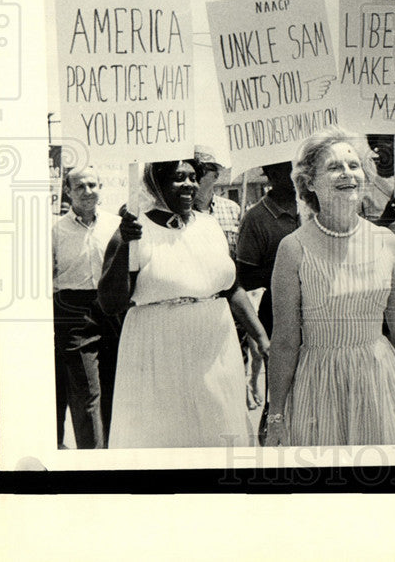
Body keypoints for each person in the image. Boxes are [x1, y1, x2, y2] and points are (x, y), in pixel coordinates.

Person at [264, 128, 395, 447]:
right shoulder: (292, 248)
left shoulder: (385, 241)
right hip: (318, 384)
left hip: (381, 381)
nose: (348, 173)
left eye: (354, 165)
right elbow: (283, 340)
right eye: (334, 167)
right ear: (309, 182)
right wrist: (276, 416)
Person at [98, 159, 270, 448]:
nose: (189, 184)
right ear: (157, 184)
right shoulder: (134, 230)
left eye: (193, 177)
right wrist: (126, 243)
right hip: (158, 349)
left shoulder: (209, 225)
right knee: (167, 434)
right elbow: (111, 303)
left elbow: (231, 286)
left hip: (215, 347)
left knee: (217, 430)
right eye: (179, 177)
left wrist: (262, 338)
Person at [51, 165, 122, 449]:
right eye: (79, 186)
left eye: (92, 185)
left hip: (113, 308)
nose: (87, 191)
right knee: (86, 393)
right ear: (67, 192)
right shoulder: (55, 231)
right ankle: (91, 462)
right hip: (73, 311)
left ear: (101, 188)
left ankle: (115, 454)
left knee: (115, 387)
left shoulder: (116, 225)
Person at [236, 162, 300, 419]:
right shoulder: (256, 219)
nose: (296, 173)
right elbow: (245, 277)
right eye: (289, 169)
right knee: (282, 391)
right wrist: (285, 269)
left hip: (317, 308)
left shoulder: (315, 208)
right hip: (277, 311)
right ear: (272, 174)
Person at [193, 145, 242, 258]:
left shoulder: (233, 210)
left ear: (216, 176)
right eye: (193, 169)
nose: (196, 175)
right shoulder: (180, 214)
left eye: (202, 170)